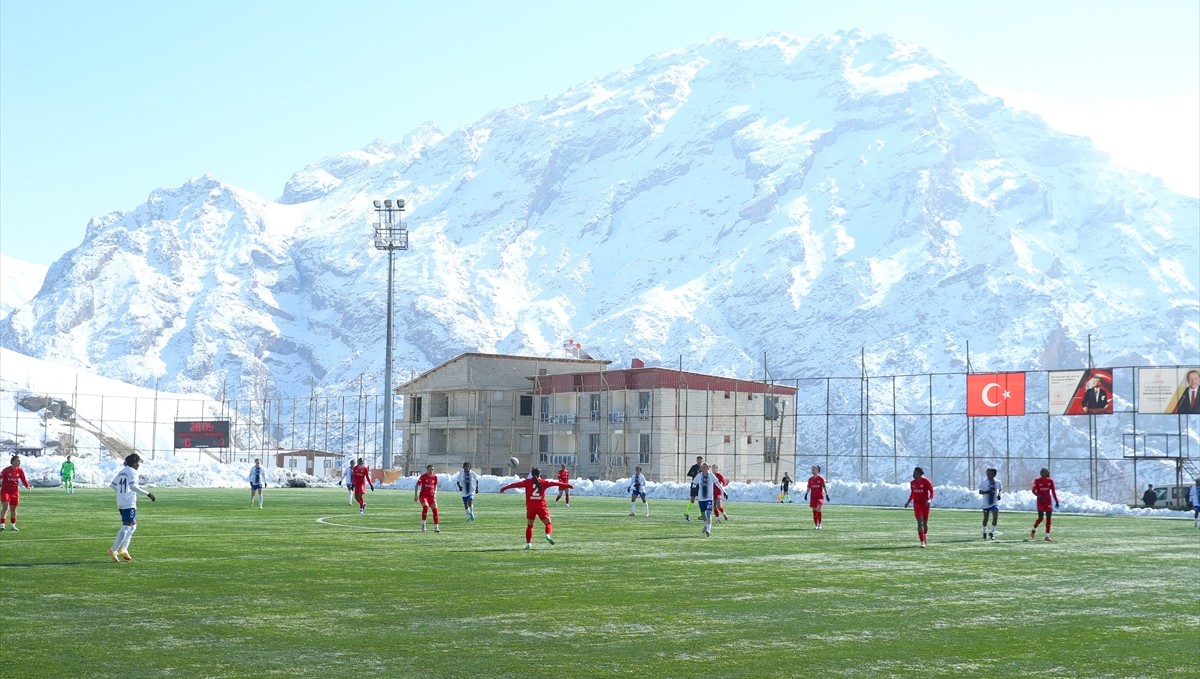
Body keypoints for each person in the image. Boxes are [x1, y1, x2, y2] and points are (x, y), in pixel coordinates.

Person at [499, 467, 572, 549]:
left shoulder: (527, 482)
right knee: (548, 523)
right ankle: (548, 535)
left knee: (530, 526)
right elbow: (556, 483)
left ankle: (529, 544)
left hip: (531, 508)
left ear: (532, 474)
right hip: (541, 507)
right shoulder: (544, 482)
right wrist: (568, 485)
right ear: (539, 474)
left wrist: (504, 488)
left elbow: (515, 484)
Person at [108, 453, 155, 561]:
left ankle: (124, 549)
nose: (138, 465)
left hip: (120, 502)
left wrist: (121, 493)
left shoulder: (122, 471)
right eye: (137, 463)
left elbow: (112, 485)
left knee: (133, 525)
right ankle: (113, 549)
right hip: (129, 503)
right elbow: (133, 486)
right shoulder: (133, 472)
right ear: (134, 463)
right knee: (127, 526)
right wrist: (148, 494)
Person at [689, 462, 725, 537]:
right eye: (702, 467)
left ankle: (708, 529)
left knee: (708, 514)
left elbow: (718, 483)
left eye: (704, 467)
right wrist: (693, 491)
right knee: (703, 515)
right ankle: (706, 525)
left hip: (709, 498)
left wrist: (723, 491)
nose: (703, 468)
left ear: (707, 468)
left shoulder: (712, 476)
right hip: (701, 498)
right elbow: (694, 483)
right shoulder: (699, 476)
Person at [903, 466, 934, 547]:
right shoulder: (912, 483)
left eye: (915, 473)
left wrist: (929, 500)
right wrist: (908, 502)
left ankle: (924, 534)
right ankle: (922, 542)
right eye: (913, 473)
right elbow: (913, 493)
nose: (913, 475)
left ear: (920, 474)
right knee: (919, 522)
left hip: (925, 504)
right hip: (917, 505)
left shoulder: (926, 481)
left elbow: (932, 492)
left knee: (925, 523)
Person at [0, 455, 32, 531]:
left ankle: (13, 526)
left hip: (15, 492)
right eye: (17, 461)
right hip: (5, 491)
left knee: (13, 509)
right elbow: (0, 476)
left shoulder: (20, 470)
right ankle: (2, 525)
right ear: (13, 461)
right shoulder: (6, 470)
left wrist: (27, 486)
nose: (19, 462)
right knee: (5, 507)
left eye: (19, 461)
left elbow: (23, 479)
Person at [1030, 468, 1059, 541]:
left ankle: (1047, 536)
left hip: (1048, 502)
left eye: (1044, 472)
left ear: (1047, 473)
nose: (1042, 473)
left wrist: (1056, 501)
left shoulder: (1050, 481)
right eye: (1041, 472)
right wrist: (1038, 496)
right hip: (1040, 502)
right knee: (1041, 518)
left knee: (1048, 519)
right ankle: (1033, 529)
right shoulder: (1037, 481)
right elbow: (1033, 490)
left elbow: (1053, 492)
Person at [803, 465, 831, 529]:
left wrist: (827, 495)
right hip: (813, 497)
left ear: (817, 470)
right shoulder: (810, 479)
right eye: (812, 469)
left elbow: (824, 487)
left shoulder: (821, 479)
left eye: (814, 469)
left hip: (820, 497)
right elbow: (809, 487)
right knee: (814, 510)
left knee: (818, 509)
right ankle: (816, 525)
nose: (812, 471)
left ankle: (820, 524)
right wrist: (806, 494)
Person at [415, 464, 441, 532]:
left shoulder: (435, 477)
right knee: (426, 507)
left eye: (432, 469)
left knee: (435, 510)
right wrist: (416, 495)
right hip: (423, 496)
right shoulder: (423, 476)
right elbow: (417, 485)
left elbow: (435, 486)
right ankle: (423, 523)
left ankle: (436, 527)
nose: (431, 471)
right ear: (427, 470)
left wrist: (435, 493)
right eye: (430, 469)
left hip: (431, 496)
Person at [978, 468, 1001, 540]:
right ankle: (984, 532)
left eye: (990, 473)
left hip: (994, 503)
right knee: (986, 519)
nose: (988, 475)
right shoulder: (984, 482)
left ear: (994, 474)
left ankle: (991, 533)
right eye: (987, 473)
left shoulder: (997, 482)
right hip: (986, 504)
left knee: (995, 517)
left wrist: (999, 494)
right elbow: (980, 492)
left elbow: (1000, 489)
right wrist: (987, 492)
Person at [683, 456, 703, 521]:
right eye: (698, 460)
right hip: (694, 484)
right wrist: (694, 475)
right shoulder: (694, 467)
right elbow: (688, 474)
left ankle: (700, 515)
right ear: (696, 460)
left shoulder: (703, 467)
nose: (699, 461)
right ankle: (686, 513)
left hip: (701, 485)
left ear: (702, 461)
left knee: (701, 499)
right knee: (692, 500)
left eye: (700, 460)